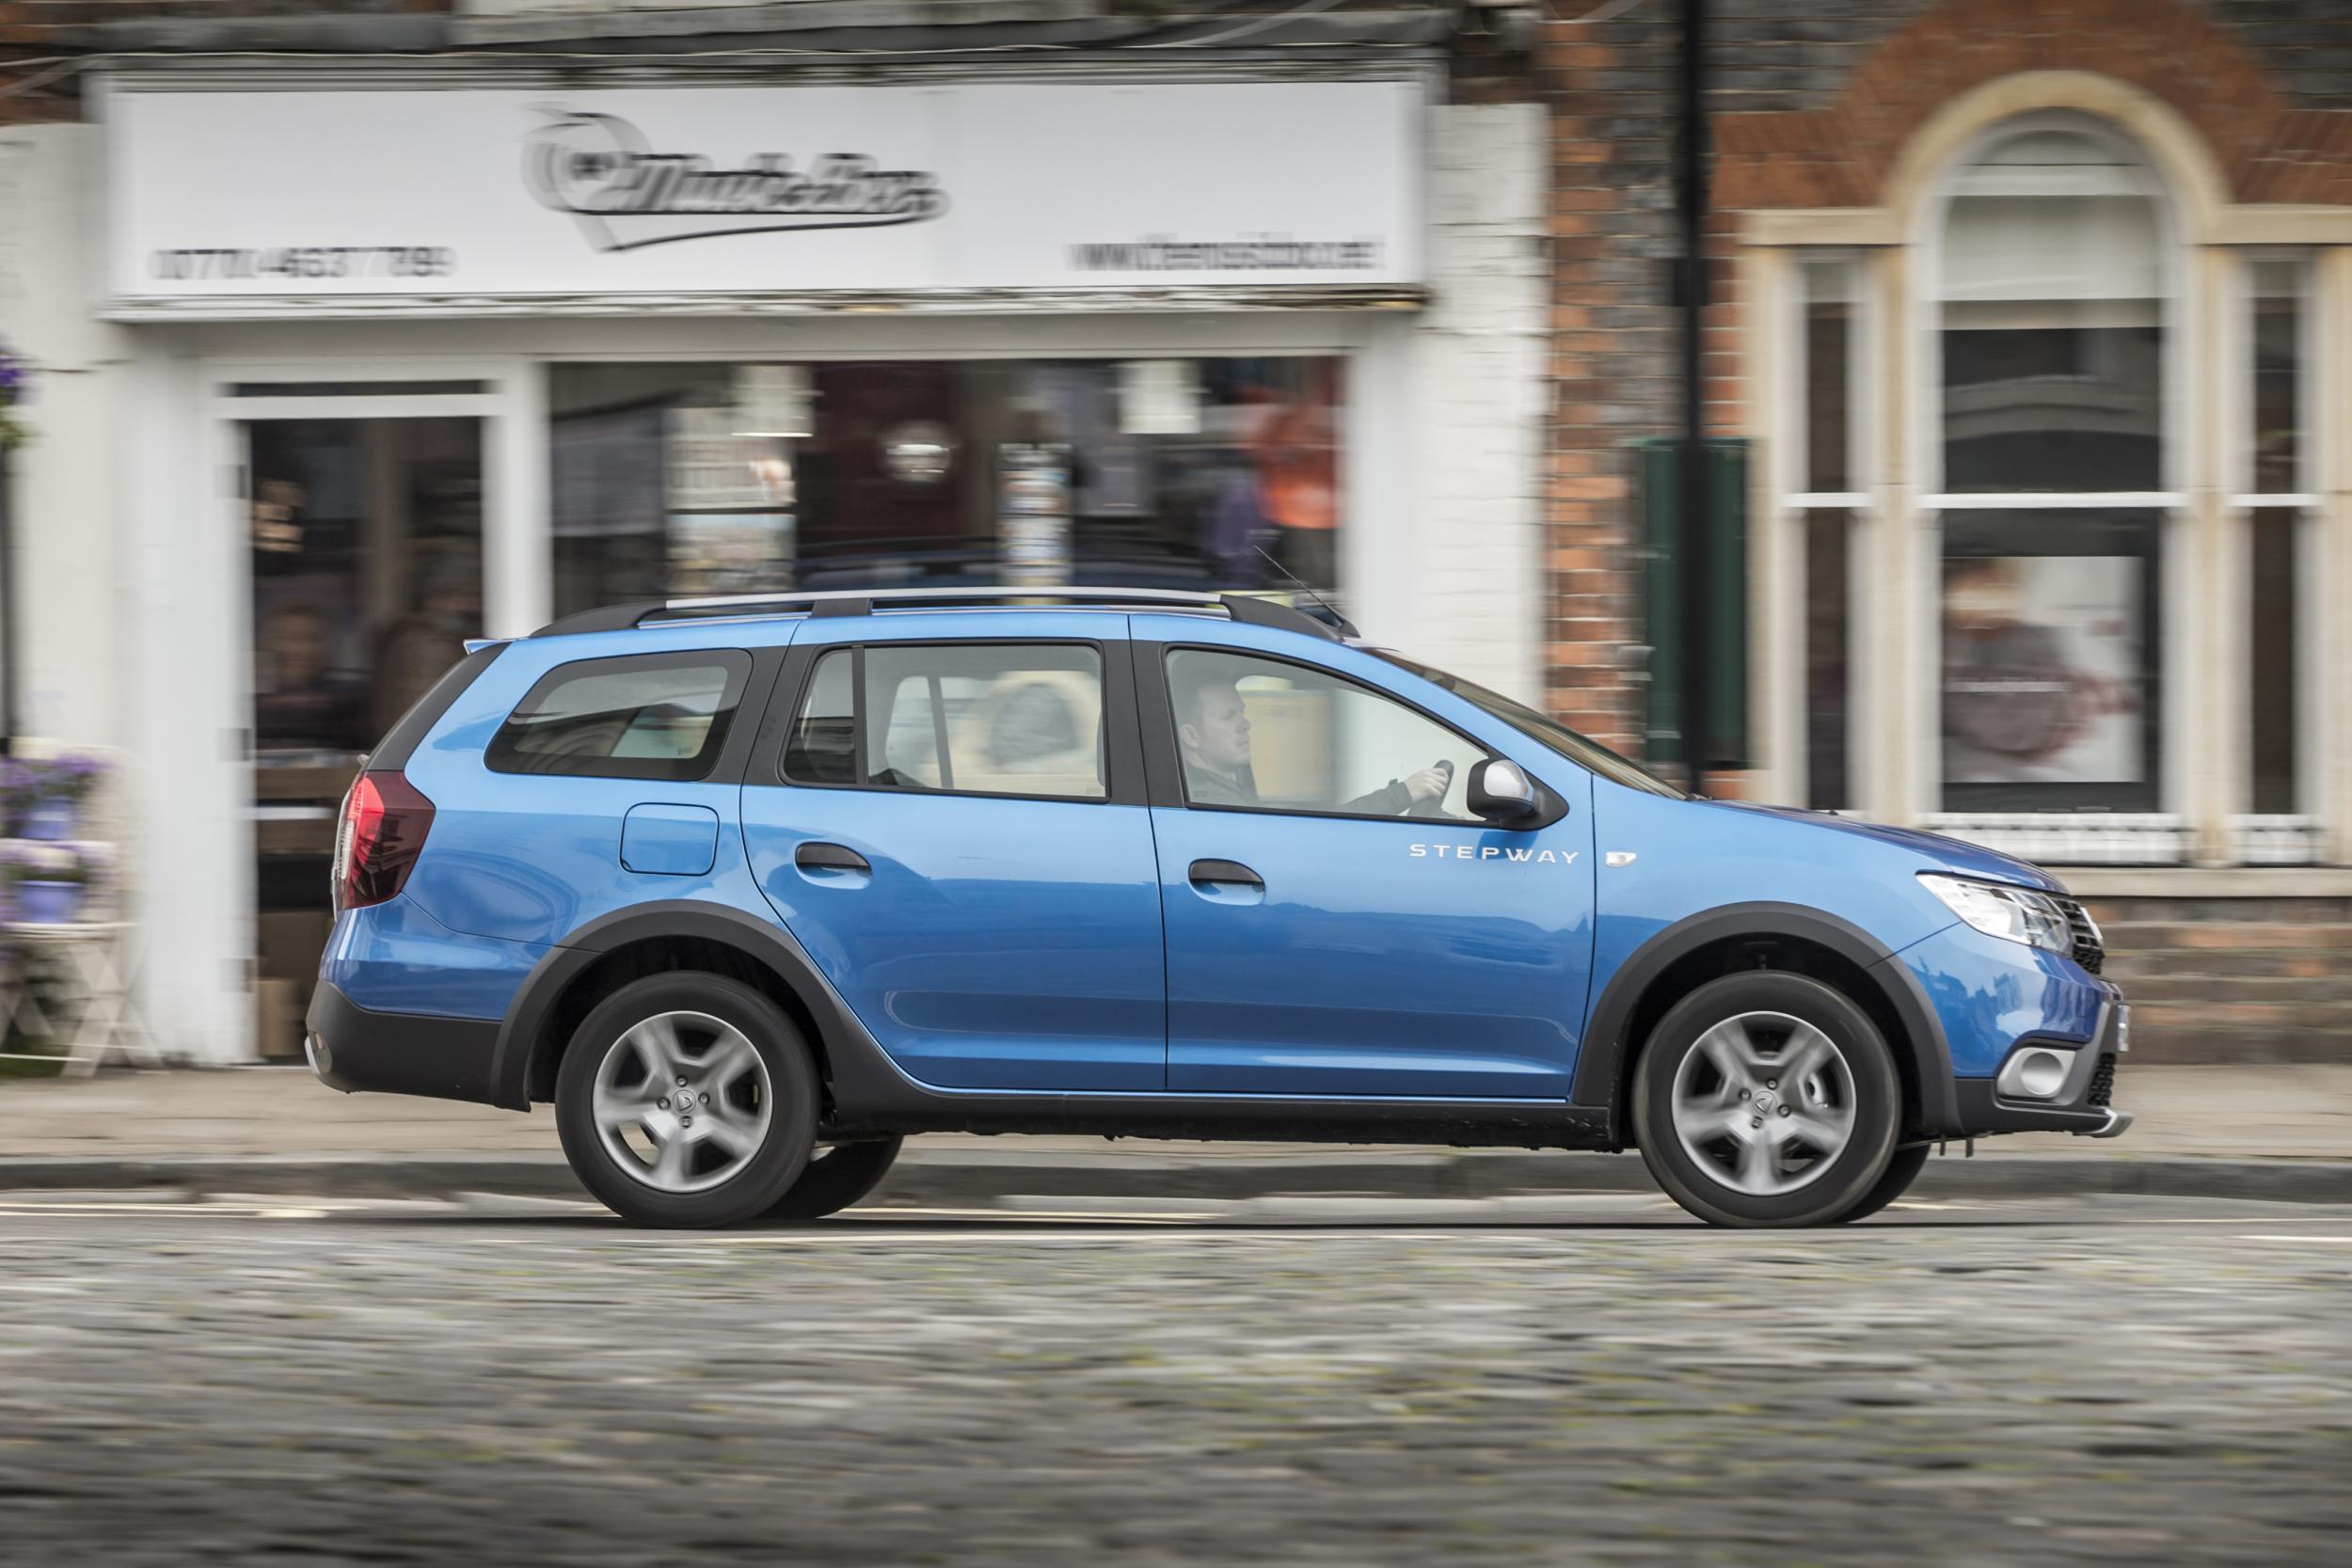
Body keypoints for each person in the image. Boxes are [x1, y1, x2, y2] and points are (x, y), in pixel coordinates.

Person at [1173, 669, 1449, 816]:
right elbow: (1306, 836)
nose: (1246, 724)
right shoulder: (1214, 804)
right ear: (1191, 736)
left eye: (1242, 711)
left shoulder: (1227, 788)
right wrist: (1400, 795)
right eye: (1228, 716)